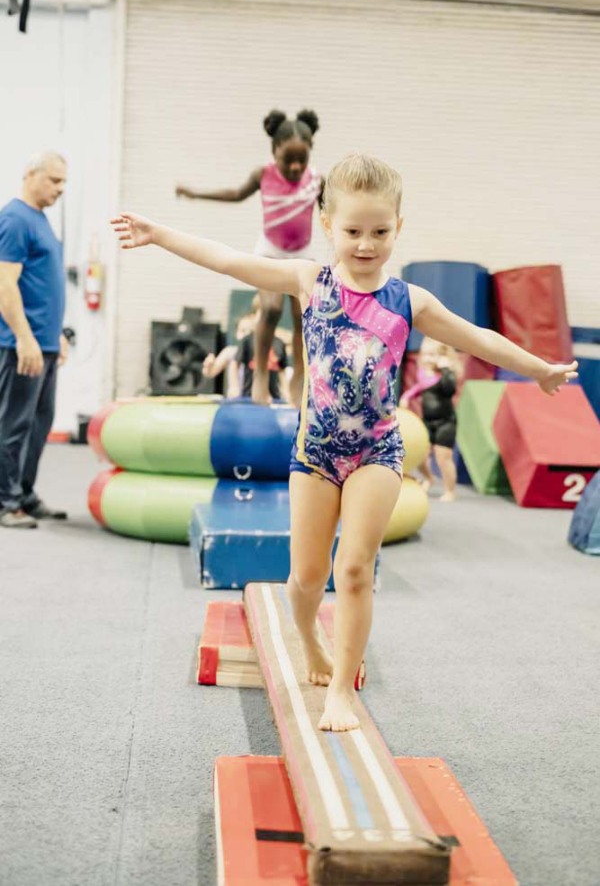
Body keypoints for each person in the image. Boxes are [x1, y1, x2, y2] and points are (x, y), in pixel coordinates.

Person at [111, 153, 578, 732]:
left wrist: (537, 369)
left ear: (398, 228)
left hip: (376, 453)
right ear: (328, 224)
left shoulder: (410, 301)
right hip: (315, 454)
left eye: (380, 231)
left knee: (354, 569)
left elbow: (478, 336)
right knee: (306, 577)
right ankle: (309, 638)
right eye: (353, 230)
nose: (366, 244)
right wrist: (159, 235)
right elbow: (231, 261)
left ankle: (341, 690)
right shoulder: (310, 279)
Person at [176, 109, 324, 407]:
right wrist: (196, 194)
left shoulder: (317, 180)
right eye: (288, 160)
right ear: (274, 152)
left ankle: (298, 379)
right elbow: (235, 193)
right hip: (269, 250)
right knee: (269, 309)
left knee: (301, 317)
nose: (295, 167)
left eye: (302, 161)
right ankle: (258, 377)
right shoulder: (264, 175)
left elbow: (334, 211)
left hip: (302, 255)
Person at [0, 151, 70, 529]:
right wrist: (25, 338)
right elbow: (4, 284)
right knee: (12, 425)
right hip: (19, 345)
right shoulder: (14, 219)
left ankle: (23, 494)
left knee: (38, 425)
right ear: (30, 174)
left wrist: (56, 335)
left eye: (64, 183)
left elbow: (41, 286)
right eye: (54, 180)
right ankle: (4, 501)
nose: (60, 189)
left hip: (44, 344)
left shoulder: (40, 221)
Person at [400, 337, 461, 501]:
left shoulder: (446, 375)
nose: (427, 359)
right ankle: (429, 478)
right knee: (421, 455)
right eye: (425, 354)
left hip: (446, 422)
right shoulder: (423, 372)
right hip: (427, 421)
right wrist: (407, 396)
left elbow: (449, 391)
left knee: (443, 457)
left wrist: (447, 370)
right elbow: (420, 387)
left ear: (443, 356)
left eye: (432, 355)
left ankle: (450, 490)